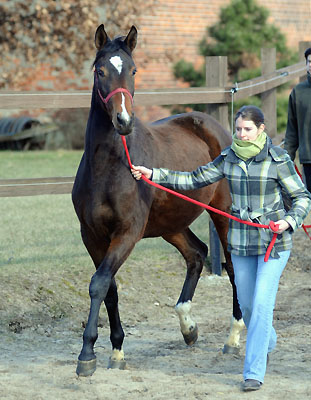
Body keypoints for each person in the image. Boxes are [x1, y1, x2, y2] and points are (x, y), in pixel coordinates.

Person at [131, 105, 311, 392]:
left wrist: (289, 221)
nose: (241, 134)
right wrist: (152, 174)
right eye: (238, 129)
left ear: (261, 130)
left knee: (262, 302)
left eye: (248, 129)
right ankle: (267, 339)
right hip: (240, 242)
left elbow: (301, 196)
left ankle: (253, 371)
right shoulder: (228, 158)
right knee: (250, 307)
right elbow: (193, 179)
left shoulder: (278, 159)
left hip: (273, 242)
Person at [284, 47, 311, 192]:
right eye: (309, 61)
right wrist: (286, 158)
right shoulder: (298, 92)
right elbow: (292, 130)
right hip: (309, 159)